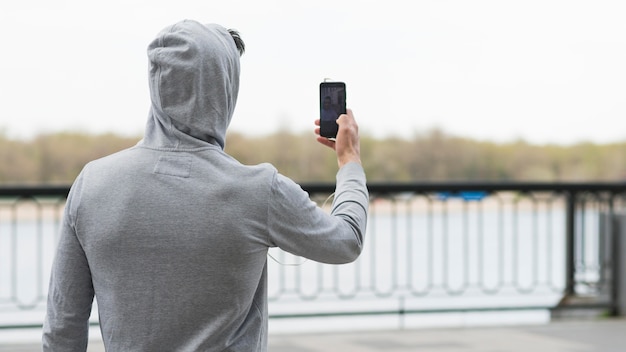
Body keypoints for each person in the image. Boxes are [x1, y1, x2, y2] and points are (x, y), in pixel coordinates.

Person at [42, 19, 368, 351]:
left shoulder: (92, 184)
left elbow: (62, 329)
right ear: (224, 88)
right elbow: (346, 240)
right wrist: (350, 161)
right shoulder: (257, 190)